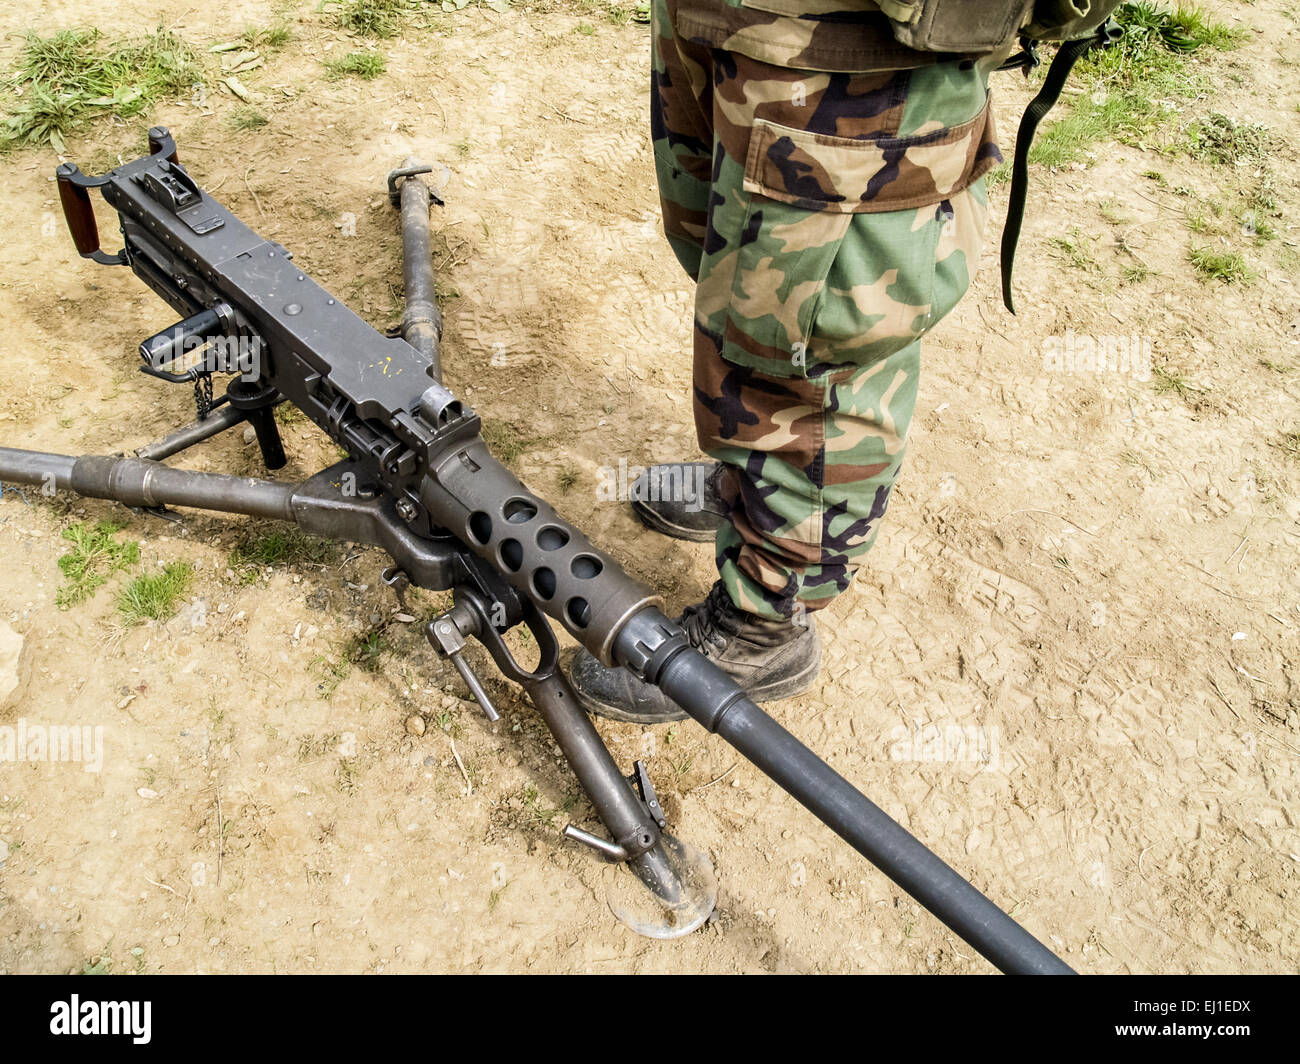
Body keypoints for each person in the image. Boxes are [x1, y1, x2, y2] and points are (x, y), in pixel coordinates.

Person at [569, 0, 1002, 723]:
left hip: (853, 46)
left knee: (809, 347)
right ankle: (753, 491)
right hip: (736, 21)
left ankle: (764, 621)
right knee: (732, 269)